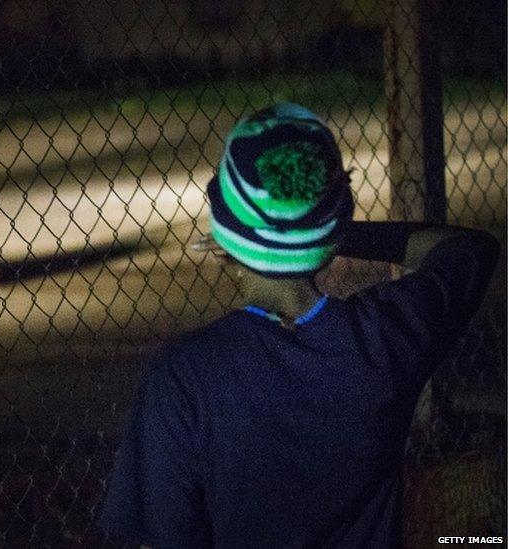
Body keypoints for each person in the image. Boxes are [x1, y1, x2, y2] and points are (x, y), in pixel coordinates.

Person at [99, 103, 499, 547]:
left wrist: (307, 231)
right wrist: (330, 230)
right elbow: (467, 249)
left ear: (223, 228)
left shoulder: (182, 378)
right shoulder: (385, 340)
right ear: (334, 227)